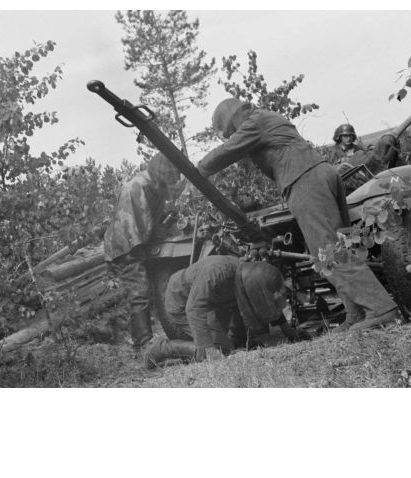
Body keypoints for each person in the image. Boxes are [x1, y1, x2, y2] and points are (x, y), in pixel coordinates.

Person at [194, 98, 399, 332]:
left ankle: (381, 308)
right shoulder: (266, 118)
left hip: (304, 179)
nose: (233, 135)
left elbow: (228, 151)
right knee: (338, 247)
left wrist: (198, 170)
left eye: (231, 131)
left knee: (327, 250)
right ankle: (355, 312)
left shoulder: (255, 122)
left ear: (235, 119)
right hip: (319, 175)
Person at [144, 255, 306, 368]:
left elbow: (265, 300)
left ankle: (228, 343)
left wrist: (288, 330)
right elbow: (193, 309)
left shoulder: (247, 274)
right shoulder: (217, 272)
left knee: (236, 345)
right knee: (221, 352)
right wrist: (208, 349)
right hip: (182, 301)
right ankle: (162, 347)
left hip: (213, 302)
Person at [104, 153, 182, 352]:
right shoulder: (138, 186)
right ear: (161, 172)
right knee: (139, 291)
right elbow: (134, 226)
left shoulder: (152, 187)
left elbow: (150, 217)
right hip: (127, 247)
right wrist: (154, 233)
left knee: (142, 290)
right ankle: (144, 345)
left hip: (136, 243)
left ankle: (141, 340)